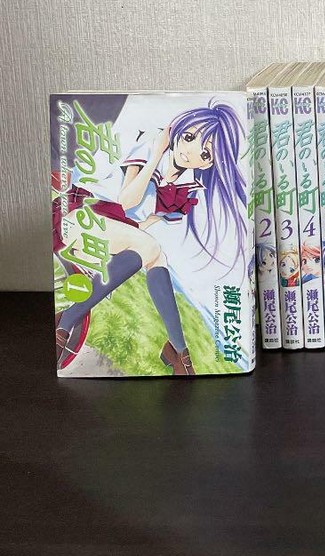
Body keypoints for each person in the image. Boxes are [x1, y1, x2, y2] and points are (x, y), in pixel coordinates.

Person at [54, 101, 247, 376]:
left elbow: (143, 222)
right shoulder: (148, 146)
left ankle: (178, 351)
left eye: (205, 153)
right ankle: (67, 320)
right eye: (189, 137)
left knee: (156, 255)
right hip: (83, 215)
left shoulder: (186, 187)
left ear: (210, 162)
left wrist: (134, 238)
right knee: (151, 247)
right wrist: (157, 153)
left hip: (112, 230)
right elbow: (126, 200)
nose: (190, 151)